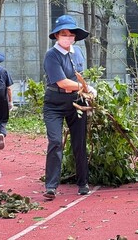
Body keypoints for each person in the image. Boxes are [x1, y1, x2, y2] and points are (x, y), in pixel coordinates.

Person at [42, 15, 97, 199]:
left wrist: (86, 92)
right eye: (64, 34)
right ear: (57, 35)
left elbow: (79, 76)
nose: (68, 37)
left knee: (79, 143)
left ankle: (83, 183)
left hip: (77, 103)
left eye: (71, 34)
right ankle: (51, 186)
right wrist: (86, 86)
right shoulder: (51, 55)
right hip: (54, 103)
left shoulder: (78, 52)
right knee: (55, 141)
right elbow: (63, 82)